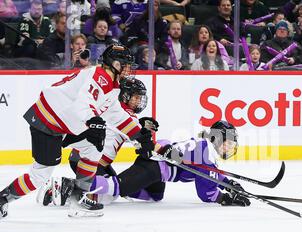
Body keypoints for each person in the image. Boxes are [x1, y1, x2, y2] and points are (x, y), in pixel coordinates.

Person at [0, 44, 138, 220]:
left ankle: (78, 198)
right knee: (40, 175)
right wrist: (93, 120)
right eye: (124, 64)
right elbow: (83, 103)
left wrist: (140, 136)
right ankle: (2, 199)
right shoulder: (100, 76)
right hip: (47, 122)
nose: (128, 69)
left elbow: (117, 115)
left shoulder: (112, 84)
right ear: (113, 64)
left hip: (65, 122)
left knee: (94, 146)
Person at [38, 77, 158, 209]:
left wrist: (140, 125)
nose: (139, 101)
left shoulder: (109, 106)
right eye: (135, 97)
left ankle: (74, 189)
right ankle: (63, 187)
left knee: (113, 185)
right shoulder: (128, 117)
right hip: (92, 161)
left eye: (140, 98)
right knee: (107, 195)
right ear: (125, 96)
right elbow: (142, 142)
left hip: (81, 157)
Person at [84, 120, 251, 207]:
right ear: (217, 138)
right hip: (153, 167)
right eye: (227, 142)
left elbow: (211, 174)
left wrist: (230, 184)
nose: (229, 147)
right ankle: (78, 184)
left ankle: (117, 184)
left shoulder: (205, 147)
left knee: (155, 196)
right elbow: (206, 194)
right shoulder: (206, 153)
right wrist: (225, 198)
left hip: (158, 170)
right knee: (117, 187)